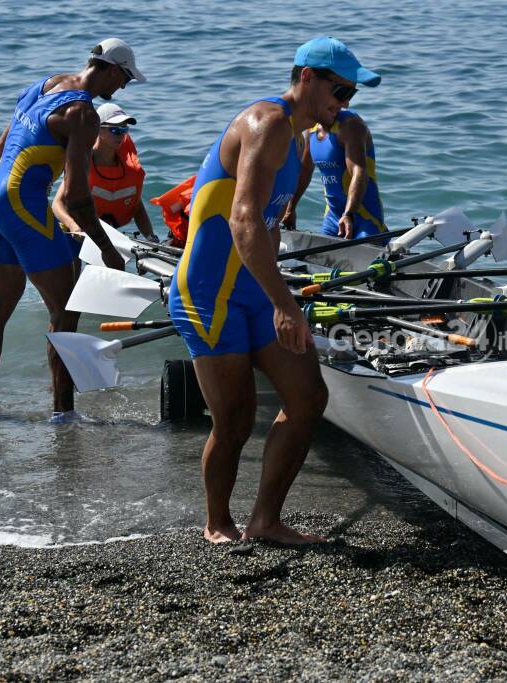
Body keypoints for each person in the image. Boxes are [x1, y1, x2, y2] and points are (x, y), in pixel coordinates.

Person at [167, 36, 379, 544]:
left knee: (308, 398)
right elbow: (242, 222)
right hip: (207, 292)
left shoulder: (302, 136)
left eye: (351, 94)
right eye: (340, 88)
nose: (344, 102)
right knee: (235, 421)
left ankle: (265, 521)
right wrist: (285, 305)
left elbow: (266, 220)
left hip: (255, 288)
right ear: (307, 76)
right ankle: (217, 522)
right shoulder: (266, 123)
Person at [0, 38, 144, 422]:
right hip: (21, 204)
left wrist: (21, 193)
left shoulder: (47, 84)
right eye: (125, 79)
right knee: (66, 314)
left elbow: (2, 145)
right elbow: (79, 196)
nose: (123, 87)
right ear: (111, 70)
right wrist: (106, 248)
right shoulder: (84, 115)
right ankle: (63, 414)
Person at [53, 102, 158, 242]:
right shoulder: (82, 162)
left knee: (113, 262)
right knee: (72, 262)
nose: (120, 135)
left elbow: (136, 206)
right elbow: (57, 203)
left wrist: (150, 236)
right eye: (115, 130)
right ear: (98, 129)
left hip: (106, 234)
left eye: (124, 130)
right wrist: (73, 226)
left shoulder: (127, 167)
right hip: (73, 232)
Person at [282, 108, 386, 239]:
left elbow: (359, 173)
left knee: (366, 256)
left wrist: (348, 214)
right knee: (319, 257)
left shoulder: (350, 125)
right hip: (333, 217)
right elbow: (305, 171)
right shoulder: (311, 130)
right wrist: (291, 209)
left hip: (365, 217)